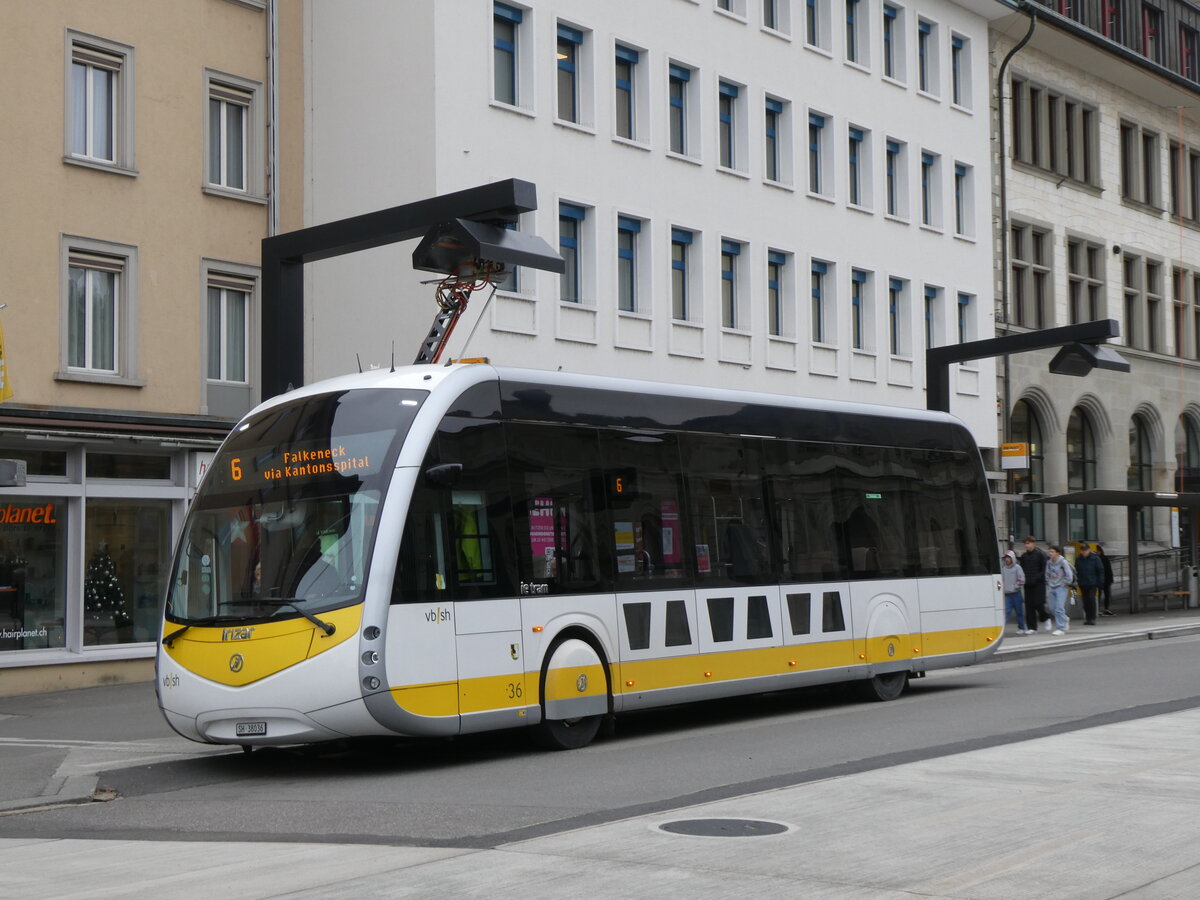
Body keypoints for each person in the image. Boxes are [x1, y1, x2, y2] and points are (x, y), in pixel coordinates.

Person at [1018, 536, 1049, 632]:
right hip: (1027, 584)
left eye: (1028, 543)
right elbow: (1021, 570)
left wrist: (1037, 577)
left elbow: (1044, 569)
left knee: (1038, 603)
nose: (1026, 545)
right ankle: (1032, 627)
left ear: (1033, 544)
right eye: (1025, 544)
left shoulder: (1040, 554)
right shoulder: (1024, 556)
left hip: (1038, 584)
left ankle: (1045, 617)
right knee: (1029, 606)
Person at [1044, 545, 1075, 635]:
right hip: (1051, 587)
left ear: (1057, 553)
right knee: (1052, 608)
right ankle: (1065, 619)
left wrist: (1064, 582)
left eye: (1052, 552)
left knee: (1059, 608)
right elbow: (1047, 574)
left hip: (1061, 587)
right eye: (1049, 552)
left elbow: (1069, 575)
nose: (1050, 554)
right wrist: (1048, 582)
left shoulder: (1063, 562)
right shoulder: (1049, 563)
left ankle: (1060, 628)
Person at [1075, 543, 1104, 626]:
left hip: (1092, 583)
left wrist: (1100, 582)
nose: (1084, 552)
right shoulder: (1078, 559)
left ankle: (1092, 618)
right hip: (1083, 583)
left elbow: (1100, 570)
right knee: (1085, 602)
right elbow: (1076, 570)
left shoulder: (1095, 558)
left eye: (1086, 550)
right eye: (1083, 550)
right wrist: (1078, 581)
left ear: (1089, 550)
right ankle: (1088, 618)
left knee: (1091, 599)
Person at [1001, 550, 1029, 634]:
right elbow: (1001, 580)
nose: (1007, 559)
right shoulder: (1003, 569)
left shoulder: (1017, 568)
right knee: (1006, 612)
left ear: (1012, 558)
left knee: (1019, 612)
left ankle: (1021, 627)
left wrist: (1015, 587)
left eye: (1008, 558)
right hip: (1007, 595)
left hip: (1016, 594)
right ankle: (1001, 629)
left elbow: (1021, 580)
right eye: (1006, 558)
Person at [1096, 543, 1115, 616]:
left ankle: (1106, 608)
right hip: (1100, 580)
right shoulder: (1096, 559)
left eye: (1097, 551)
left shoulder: (1104, 559)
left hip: (1106, 580)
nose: (1097, 552)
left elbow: (1109, 570)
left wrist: (1110, 579)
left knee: (1107, 595)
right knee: (1098, 595)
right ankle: (1098, 609)